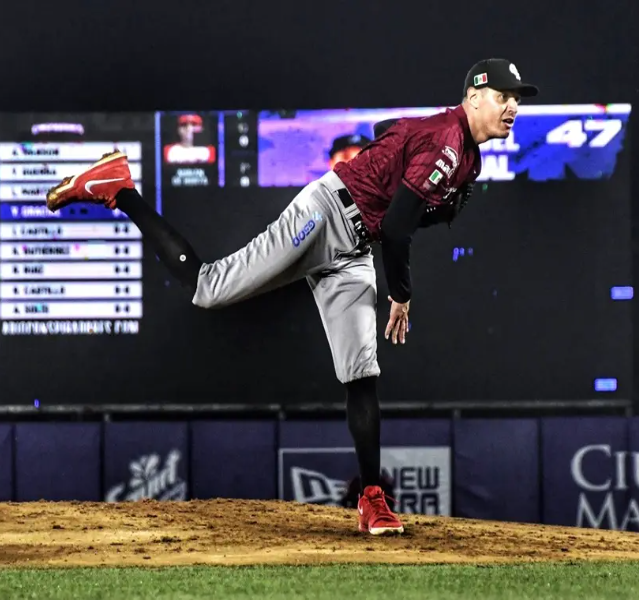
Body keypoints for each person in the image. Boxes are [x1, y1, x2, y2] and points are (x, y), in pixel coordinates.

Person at [45, 58, 538, 535]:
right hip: (325, 213)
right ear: (473, 97)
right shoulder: (448, 145)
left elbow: (387, 129)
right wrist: (401, 295)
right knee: (207, 289)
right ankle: (119, 188)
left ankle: (372, 500)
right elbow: (396, 227)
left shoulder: (462, 151)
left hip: (354, 246)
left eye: (516, 99)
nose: (512, 106)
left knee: (361, 372)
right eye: (502, 96)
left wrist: (396, 156)